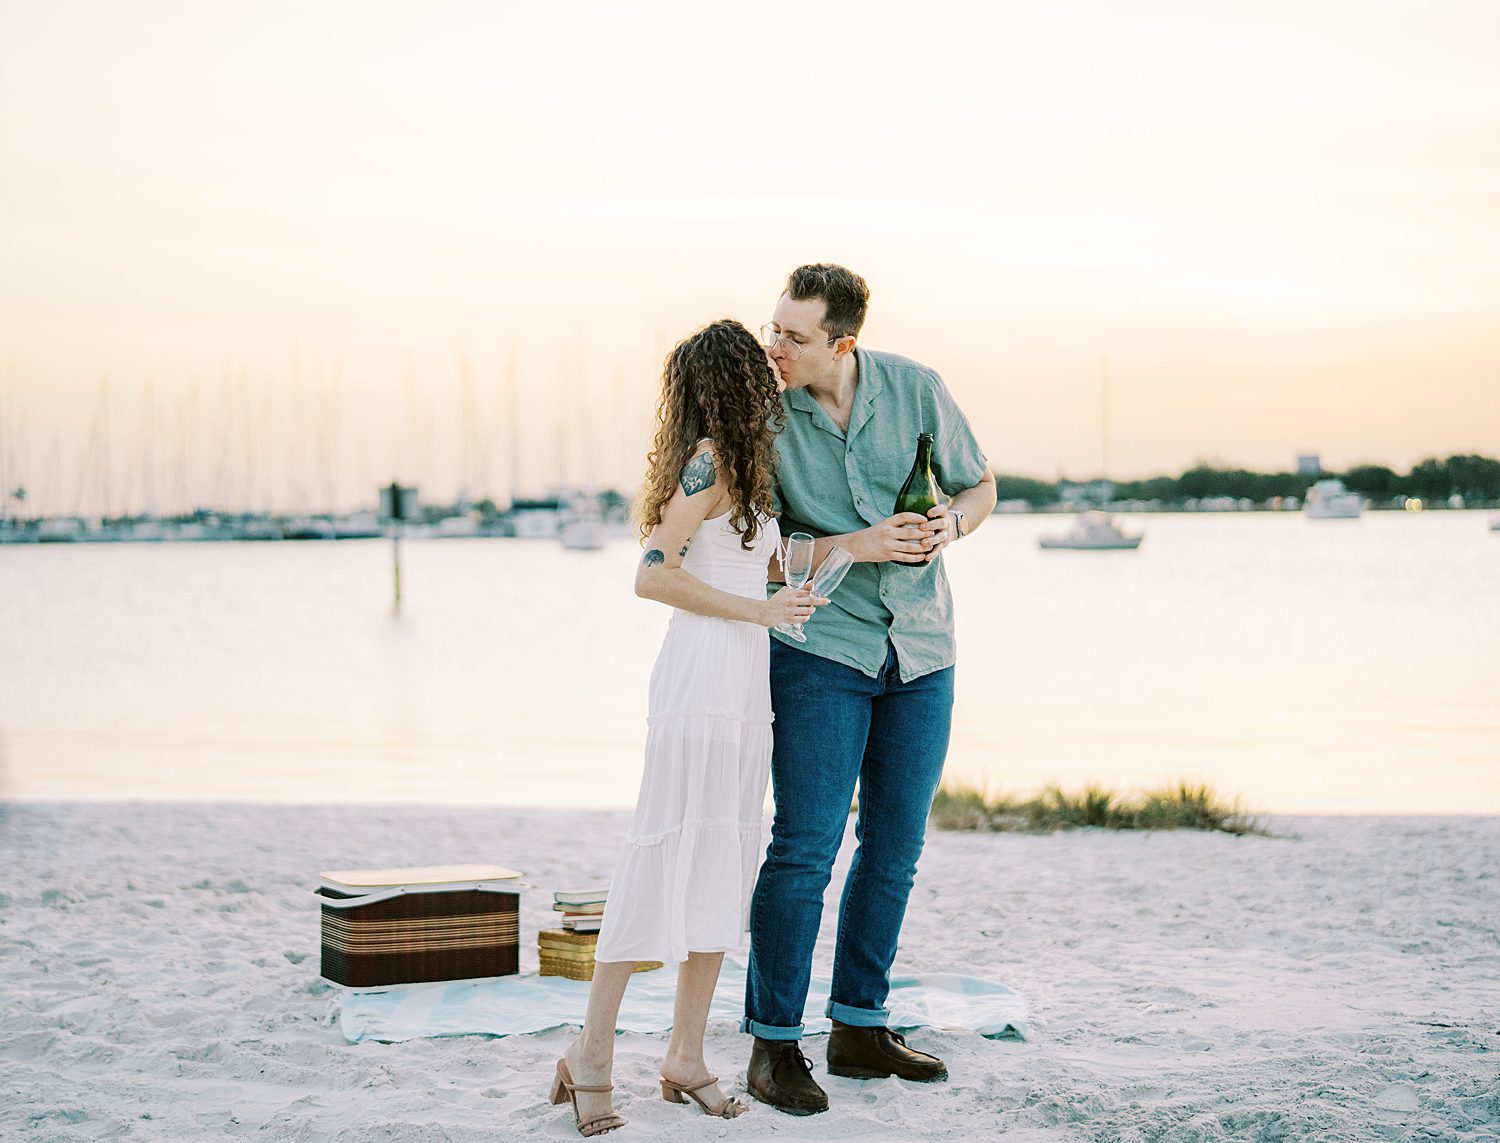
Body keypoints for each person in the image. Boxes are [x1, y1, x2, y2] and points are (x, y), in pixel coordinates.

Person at [550, 319, 825, 1137]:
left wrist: (798, 583)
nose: (776, 377)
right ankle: (591, 1054)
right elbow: (652, 572)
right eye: (761, 367)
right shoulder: (710, 457)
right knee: (664, 850)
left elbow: (744, 566)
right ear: (738, 381)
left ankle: (685, 1054)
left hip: (743, 681)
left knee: (725, 855)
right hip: (702, 674)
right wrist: (760, 607)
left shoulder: (750, 466)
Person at [742, 264, 996, 1115]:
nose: (774, 346)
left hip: (922, 651)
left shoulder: (918, 388)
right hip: (822, 648)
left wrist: (947, 525)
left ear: (842, 343)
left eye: (794, 336)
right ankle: (773, 1045)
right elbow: (763, 555)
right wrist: (862, 542)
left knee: (894, 848)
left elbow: (980, 485)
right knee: (805, 848)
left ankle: (858, 1026)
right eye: (775, 327)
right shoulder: (763, 417)